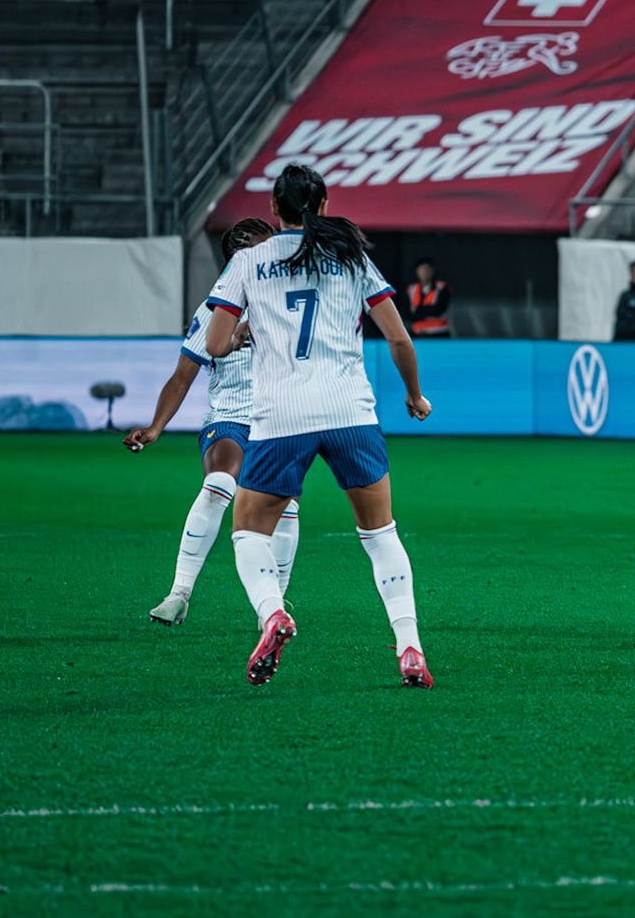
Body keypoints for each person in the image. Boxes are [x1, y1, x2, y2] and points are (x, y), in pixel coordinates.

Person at [197, 164, 434, 688]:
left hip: (281, 417)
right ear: (323, 206)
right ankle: (410, 646)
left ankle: (273, 613)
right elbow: (398, 338)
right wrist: (414, 395)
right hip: (351, 412)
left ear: (273, 210)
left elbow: (213, 345)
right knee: (381, 535)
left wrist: (240, 335)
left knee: (247, 532)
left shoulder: (248, 260)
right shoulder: (351, 256)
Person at [125, 218, 300, 628]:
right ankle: (179, 594)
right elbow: (181, 377)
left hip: (279, 421)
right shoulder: (213, 311)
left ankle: (275, 609)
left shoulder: (291, 304)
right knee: (220, 482)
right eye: (255, 251)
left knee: (285, 505)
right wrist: (155, 428)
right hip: (229, 418)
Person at [406, 259, 451, 339]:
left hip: (438, 333)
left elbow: (439, 309)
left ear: (432, 271)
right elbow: (407, 312)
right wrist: (426, 309)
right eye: (421, 270)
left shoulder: (442, 287)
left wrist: (418, 309)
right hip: (417, 333)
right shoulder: (412, 289)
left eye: (426, 269)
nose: (424, 273)